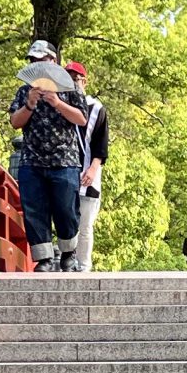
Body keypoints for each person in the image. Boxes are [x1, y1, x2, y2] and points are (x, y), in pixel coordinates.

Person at [6, 38, 89, 271]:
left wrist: (56, 102)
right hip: (32, 159)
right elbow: (15, 121)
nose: (37, 64)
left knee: (66, 209)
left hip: (64, 160)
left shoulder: (70, 88)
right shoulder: (25, 91)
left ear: (53, 61)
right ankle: (43, 258)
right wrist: (30, 104)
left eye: (41, 60)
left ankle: (68, 253)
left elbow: (81, 119)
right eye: (33, 61)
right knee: (34, 209)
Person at [64, 57, 108, 273]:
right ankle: (66, 262)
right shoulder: (57, 106)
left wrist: (93, 168)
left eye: (76, 79)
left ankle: (83, 266)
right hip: (63, 171)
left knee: (85, 224)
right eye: (68, 79)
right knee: (65, 220)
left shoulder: (97, 109)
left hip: (88, 172)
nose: (73, 84)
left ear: (85, 81)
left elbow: (101, 145)